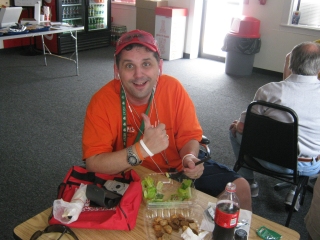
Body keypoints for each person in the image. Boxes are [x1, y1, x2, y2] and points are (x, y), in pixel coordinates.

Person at [82, 29, 252, 211]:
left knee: (240, 188)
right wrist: (142, 150)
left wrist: (189, 157)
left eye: (146, 64)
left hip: (180, 169)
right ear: (117, 71)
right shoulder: (102, 101)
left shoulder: (174, 89)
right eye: (129, 66)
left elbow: (189, 136)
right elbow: (94, 163)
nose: (139, 75)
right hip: (133, 173)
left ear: (160, 67)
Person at [229, 41, 320, 210]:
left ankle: (249, 182)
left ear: (290, 62)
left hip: (265, 159)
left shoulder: (269, 91)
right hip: (307, 166)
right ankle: (295, 190)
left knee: (234, 128)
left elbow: (242, 127)